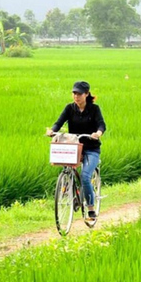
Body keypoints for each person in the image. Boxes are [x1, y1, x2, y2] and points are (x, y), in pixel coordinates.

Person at [46, 81, 106, 221]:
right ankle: (69, 189)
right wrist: (52, 131)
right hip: (74, 147)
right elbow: (59, 122)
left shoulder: (94, 109)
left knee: (85, 176)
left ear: (86, 94)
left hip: (91, 149)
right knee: (67, 167)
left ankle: (91, 208)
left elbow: (101, 124)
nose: (76, 96)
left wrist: (98, 133)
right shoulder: (69, 108)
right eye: (74, 93)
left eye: (79, 93)